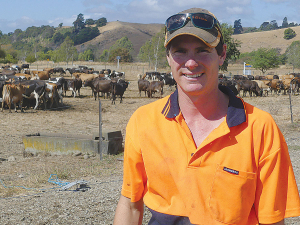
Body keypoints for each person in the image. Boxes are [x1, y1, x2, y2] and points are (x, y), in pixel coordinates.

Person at [114, 7, 300, 225]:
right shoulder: (143, 121)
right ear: (168, 58)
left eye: (202, 50)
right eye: (180, 51)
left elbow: (272, 220)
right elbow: (130, 203)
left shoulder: (260, 128)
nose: (191, 63)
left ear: (222, 55)